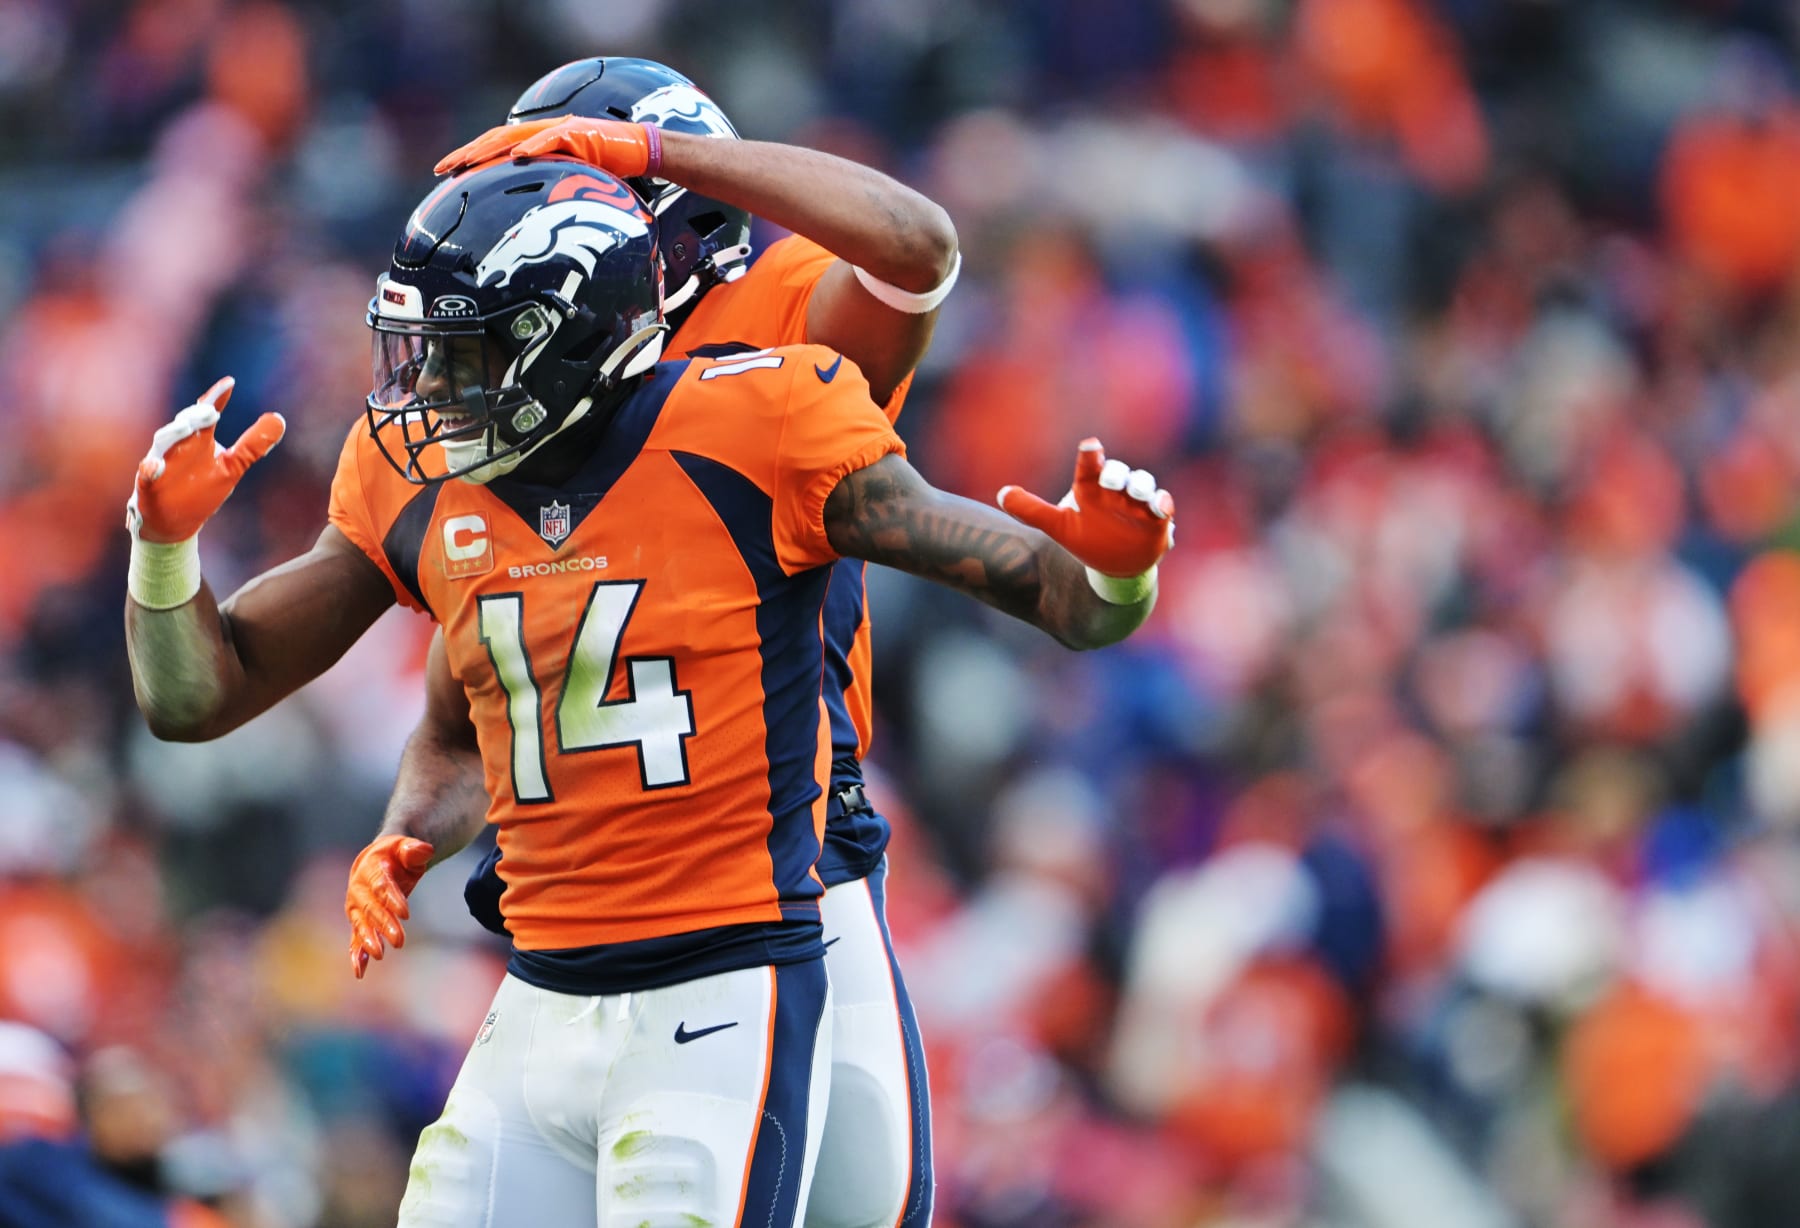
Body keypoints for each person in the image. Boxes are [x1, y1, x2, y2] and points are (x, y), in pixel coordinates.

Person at [123, 157, 1173, 1225]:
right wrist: (164, 551)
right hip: (534, 1001)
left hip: (714, 997)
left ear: (563, 337)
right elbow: (217, 698)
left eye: (464, 356)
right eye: (422, 356)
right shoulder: (425, 485)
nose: (427, 391)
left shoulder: (758, 424)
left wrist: (1116, 571)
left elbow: (1064, 599)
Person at [426, 56, 961, 1228]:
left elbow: (917, 247)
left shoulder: (780, 320)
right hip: (579, 895)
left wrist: (650, 153)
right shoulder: (502, 358)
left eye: (564, 180)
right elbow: (445, 620)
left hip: (784, 862)